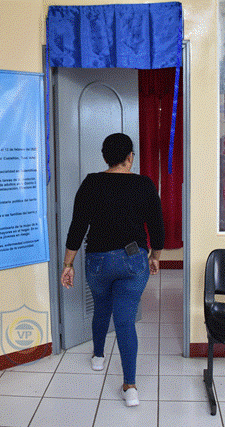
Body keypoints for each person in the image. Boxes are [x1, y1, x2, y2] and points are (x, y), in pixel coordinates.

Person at [61, 133, 165, 407]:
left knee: (101, 308)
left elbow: (77, 227)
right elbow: (157, 227)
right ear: (130, 157)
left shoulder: (91, 182)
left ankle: (98, 357)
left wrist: (68, 264)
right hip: (133, 261)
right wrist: (155, 256)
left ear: (105, 157)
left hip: (99, 261)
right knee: (125, 321)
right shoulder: (144, 184)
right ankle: (130, 387)